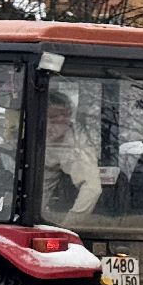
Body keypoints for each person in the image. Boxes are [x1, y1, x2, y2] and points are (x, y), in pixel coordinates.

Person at [42, 91, 102, 219]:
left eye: (53, 122)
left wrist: (71, 224)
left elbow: (92, 188)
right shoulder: (36, 138)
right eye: (43, 121)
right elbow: (42, 186)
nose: (47, 128)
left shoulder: (77, 144)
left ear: (67, 119)